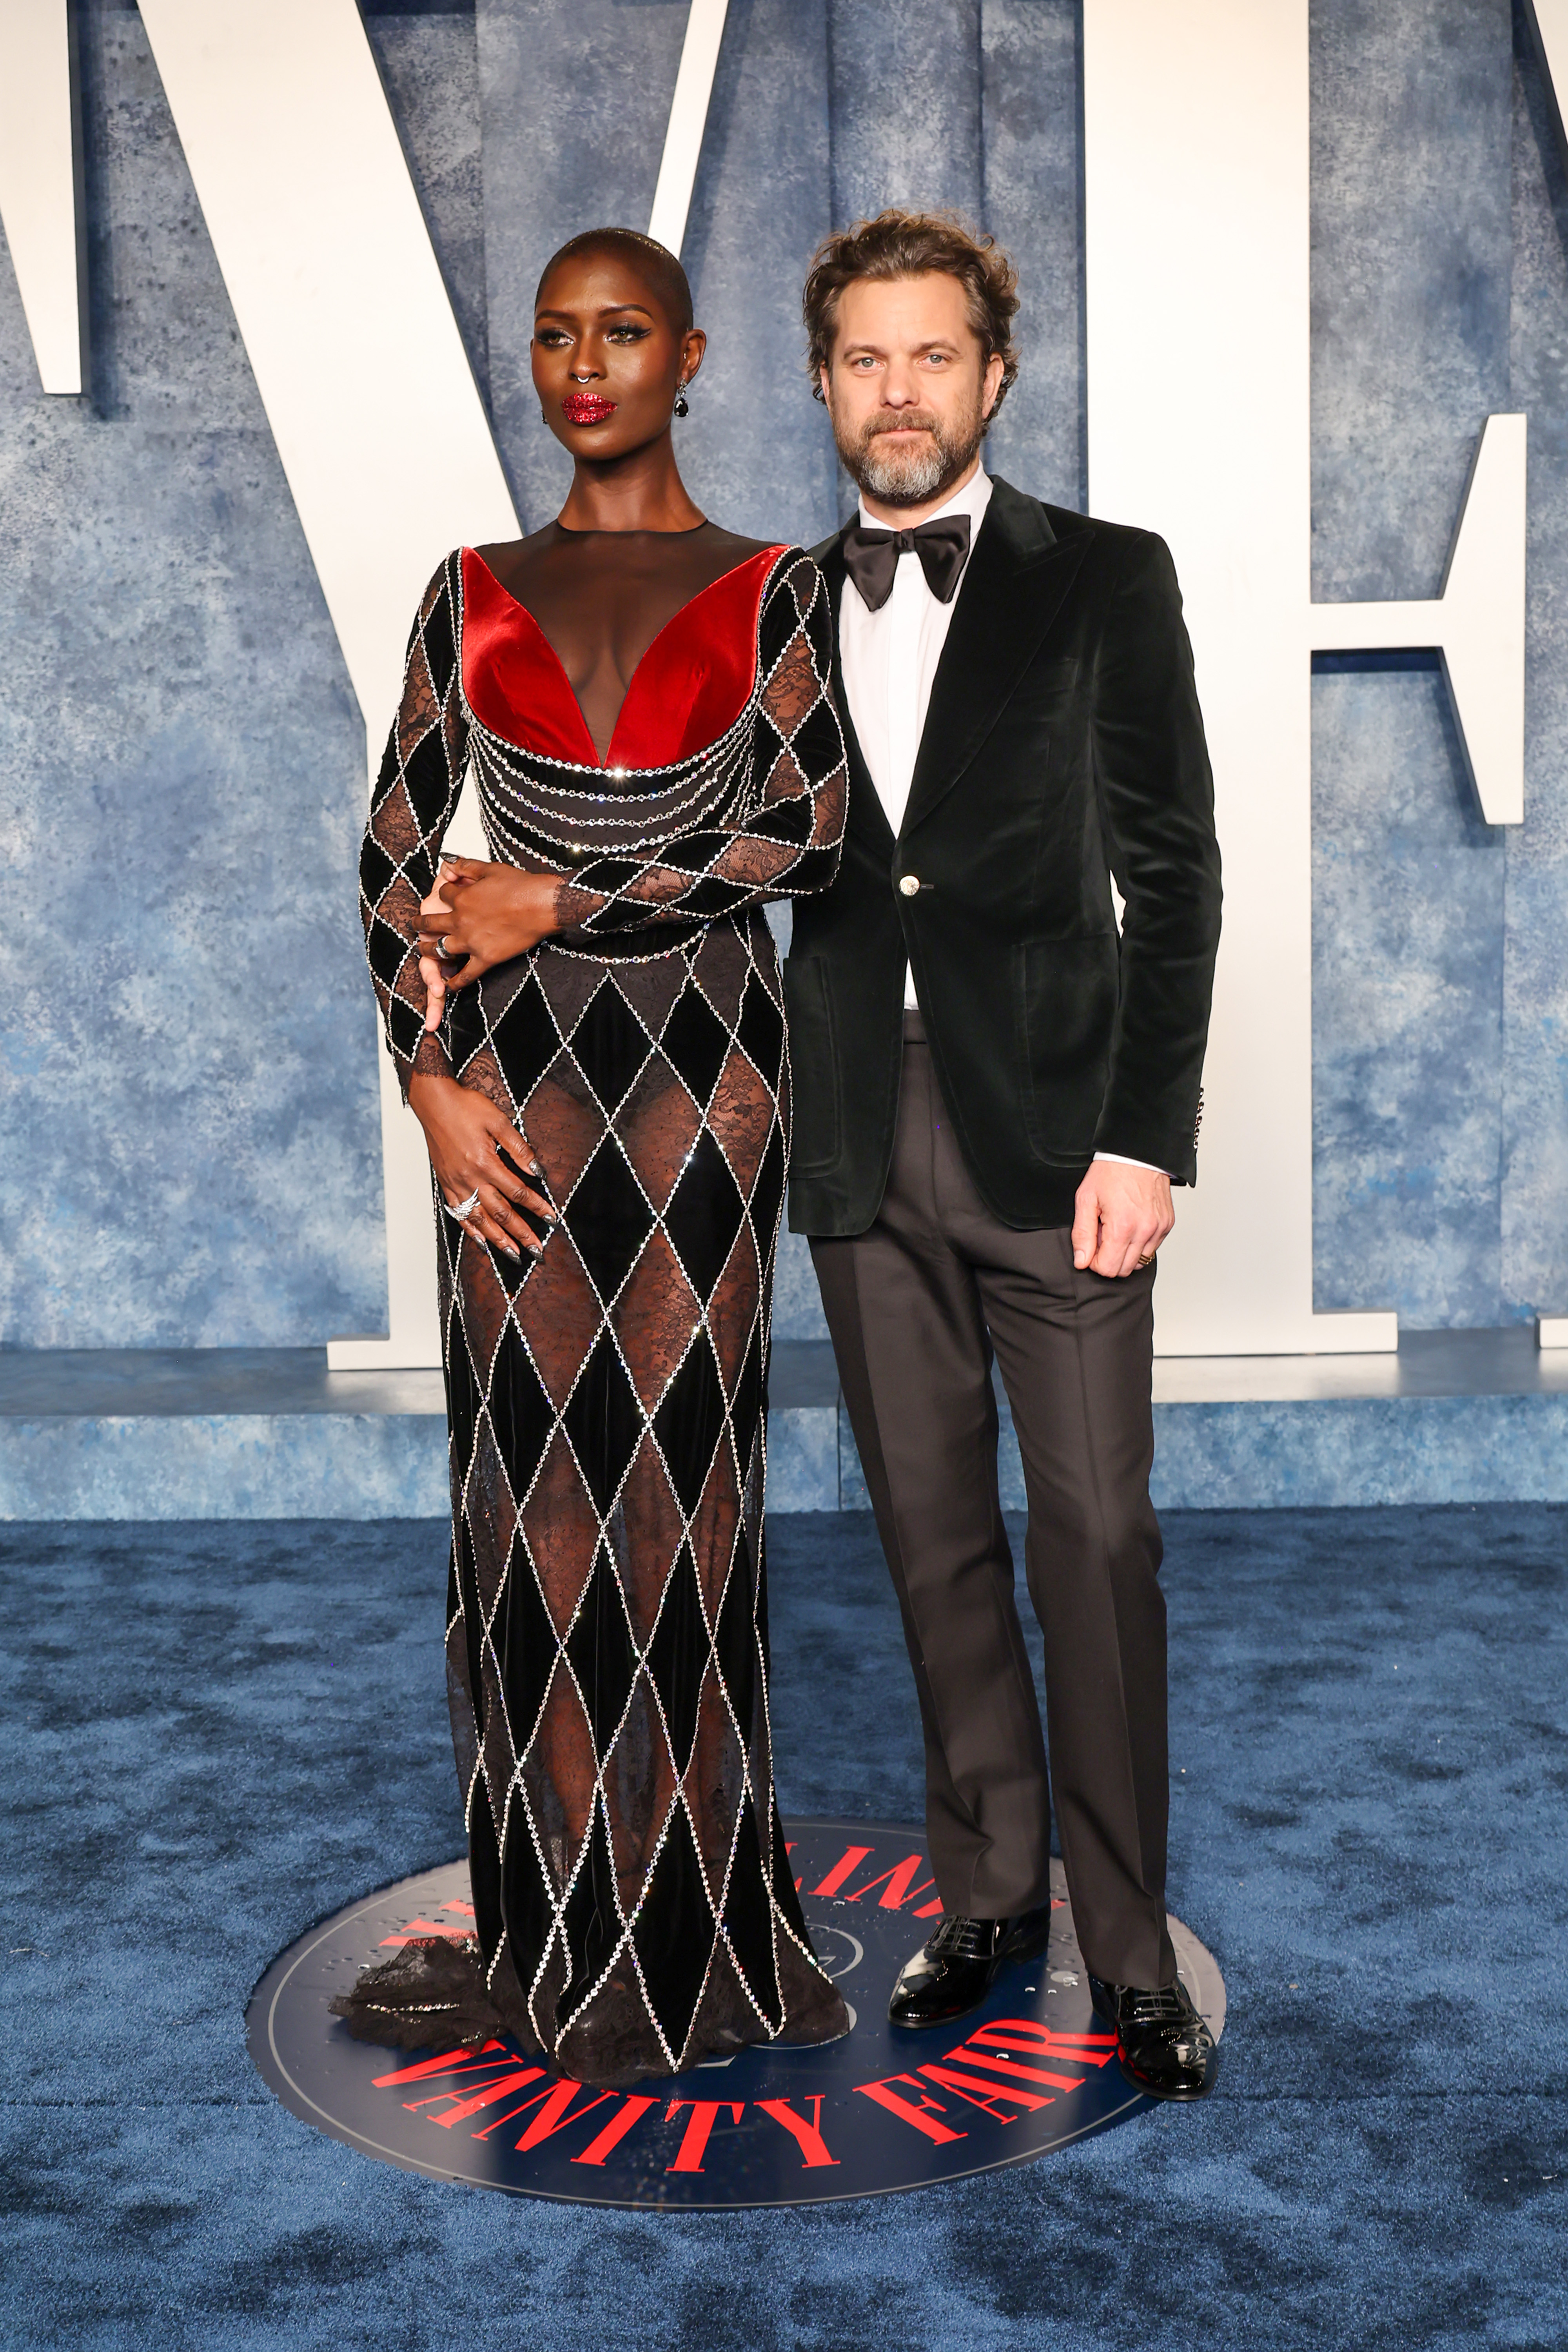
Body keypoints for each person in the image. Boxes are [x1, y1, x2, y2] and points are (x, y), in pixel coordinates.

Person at [339, 227, 850, 2088]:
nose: (584, 362)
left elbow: (802, 838)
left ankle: (697, 1912)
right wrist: (423, 1077)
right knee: (533, 1477)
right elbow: (397, 851)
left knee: (685, 1476)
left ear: (689, 356)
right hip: (516, 1075)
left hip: (709, 1063)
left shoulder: (777, 584)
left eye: (620, 331)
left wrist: (561, 888)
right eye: (555, 335)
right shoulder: (466, 587)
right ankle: (558, 1919)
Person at [786, 211, 1223, 2100]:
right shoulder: (777, 606)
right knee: (932, 1533)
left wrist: (1146, 1132)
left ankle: (1126, 1954)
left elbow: (1176, 868)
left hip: (1058, 1134)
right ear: (822, 384)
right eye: (865, 360)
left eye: (932, 355)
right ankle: (990, 1893)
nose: (899, 392)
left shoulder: (1105, 579)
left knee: (1097, 1535)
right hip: (851, 1137)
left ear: (995, 371)